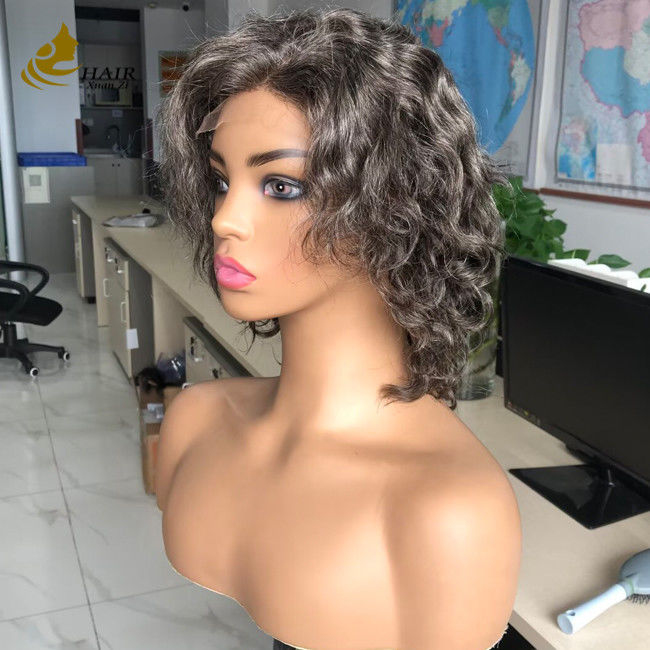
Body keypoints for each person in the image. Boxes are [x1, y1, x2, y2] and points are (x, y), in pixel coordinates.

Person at [155, 7, 521, 650]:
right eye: (220, 180)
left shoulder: (448, 512)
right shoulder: (195, 421)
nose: (223, 219)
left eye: (281, 186)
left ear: (394, 205)